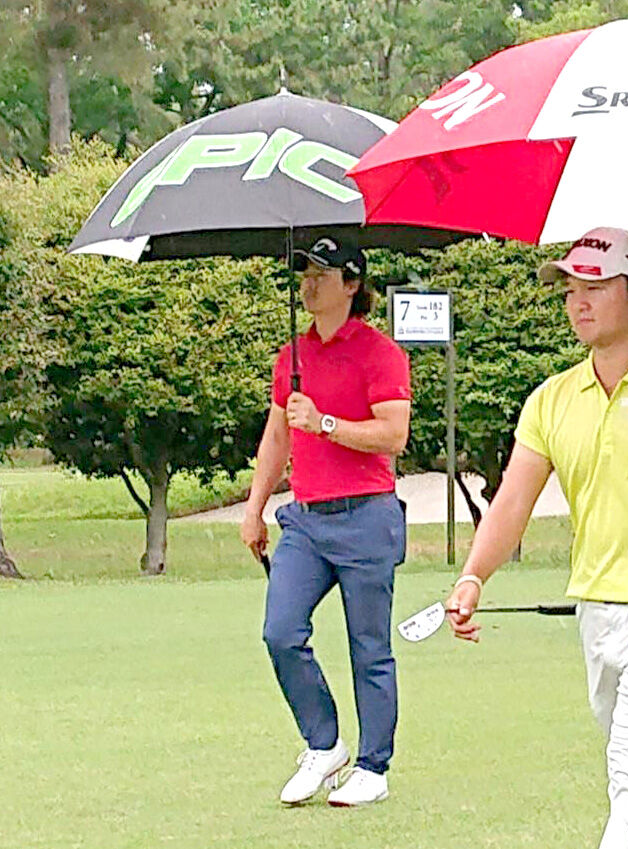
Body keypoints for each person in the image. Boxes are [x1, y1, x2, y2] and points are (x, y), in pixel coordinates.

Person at [447, 227, 628, 849]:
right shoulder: (551, 398)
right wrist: (472, 575)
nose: (578, 302)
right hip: (597, 612)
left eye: (595, 286)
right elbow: (513, 500)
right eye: (570, 289)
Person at [240, 235, 410, 807]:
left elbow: (393, 433)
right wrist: (255, 505)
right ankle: (324, 744)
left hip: (366, 515)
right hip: (306, 522)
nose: (308, 283)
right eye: (305, 273)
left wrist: (327, 423)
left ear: (352, 284)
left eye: (321, 273)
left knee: (370, 647)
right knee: (280, 631)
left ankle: (373, 767)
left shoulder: (380, 353)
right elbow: (277, 434)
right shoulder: (291, 355)